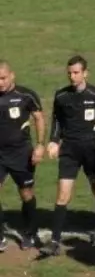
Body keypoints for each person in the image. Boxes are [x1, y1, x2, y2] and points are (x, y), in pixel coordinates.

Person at [41, 56, 95, 257]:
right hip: (69, 151)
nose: (72, 76)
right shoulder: (61, 96)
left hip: (92, 150)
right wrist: (54, 140)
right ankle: (54, 241)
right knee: (62, 194)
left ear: (85, 73)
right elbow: (56, 120)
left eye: (76, 72)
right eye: (70, 73)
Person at [0, 61, 44, 252]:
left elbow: (39, 117)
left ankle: (30, 232)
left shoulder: (26, 95)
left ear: (12, 76)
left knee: (26, 194)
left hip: (21, 153)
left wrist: (40, 145)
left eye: (2, 78)